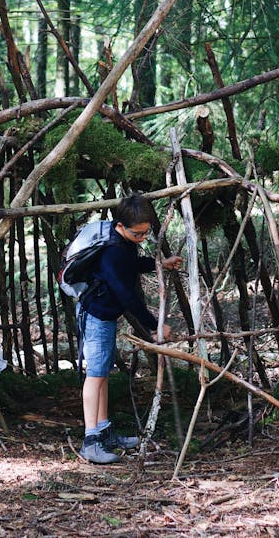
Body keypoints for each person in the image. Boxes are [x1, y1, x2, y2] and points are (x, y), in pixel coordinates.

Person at [78, 193, 183, 464]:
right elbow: (126, 294)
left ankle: (104, 431)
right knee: (96, 375)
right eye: (138, 234)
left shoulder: (123, 245)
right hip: (96, 315)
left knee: (102, 373)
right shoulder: (113, 250)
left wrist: (159, 263)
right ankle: (90, 441)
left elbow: (132, 265)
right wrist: (153, 326)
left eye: (146, 233)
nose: (143, 239)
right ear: (120, 226)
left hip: (105, 313)